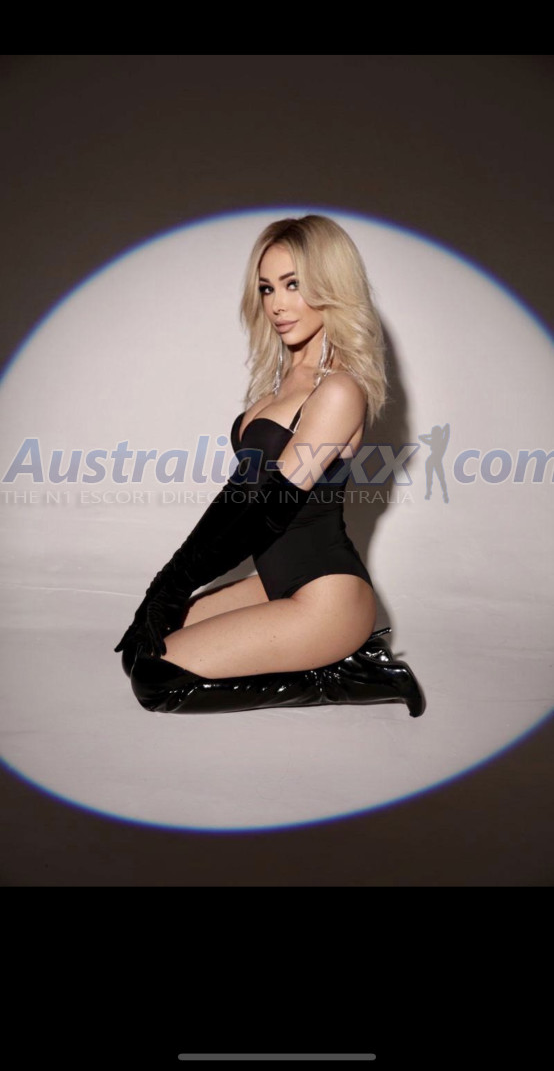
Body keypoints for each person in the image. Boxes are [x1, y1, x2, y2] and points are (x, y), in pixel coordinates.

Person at [114, 215, 425, 717]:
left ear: (331, 286)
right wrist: (165, 588)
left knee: (156, 683)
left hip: (326, 599)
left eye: (293, 284)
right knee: (139, 651)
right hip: (274, 583)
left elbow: (267, 508)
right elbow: (237, 498)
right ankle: (333, 662)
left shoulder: (339, 389)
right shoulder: (279, 383)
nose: (277, 304)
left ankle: (351, 676)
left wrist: (172, 585)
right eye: (267, 288)